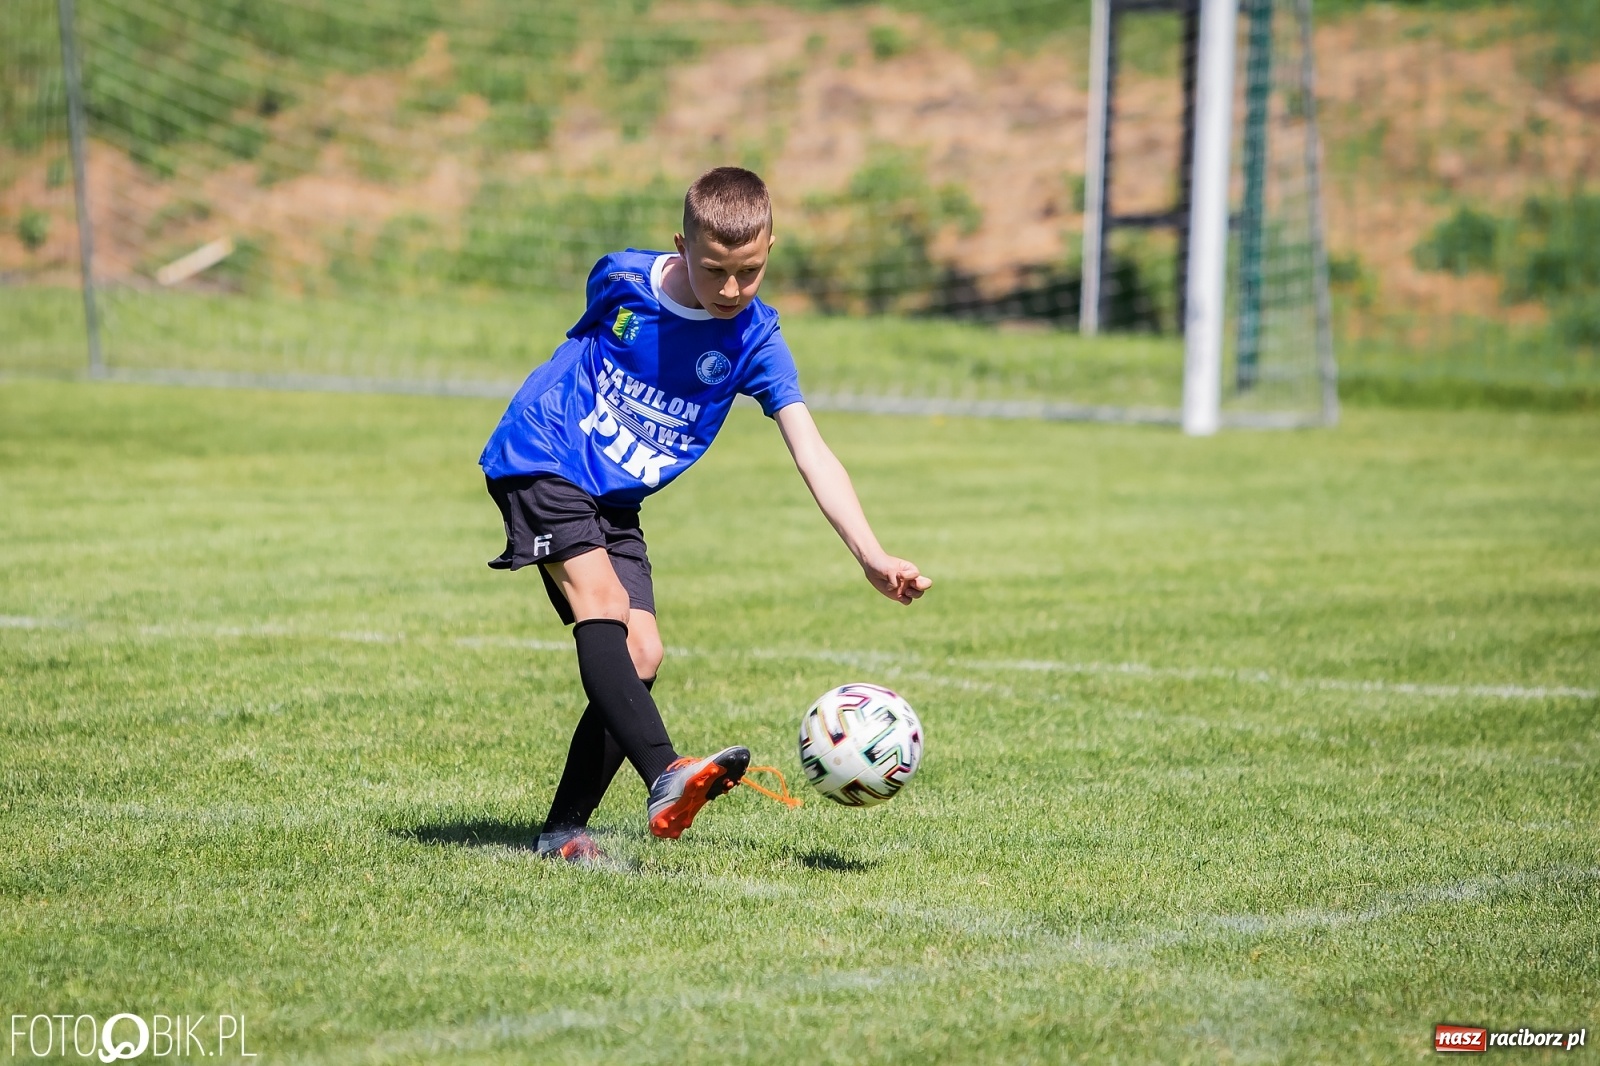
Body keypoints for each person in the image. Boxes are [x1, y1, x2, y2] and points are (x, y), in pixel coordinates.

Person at [480, 166, 931, 863]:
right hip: (544, 452)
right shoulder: (623, 279)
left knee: (643, 652)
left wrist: (870, 553)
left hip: (615, 498)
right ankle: (666, 774)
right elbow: (583, 337)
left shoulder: (757, 341)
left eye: (747, 273)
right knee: (601, 600)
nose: (729, 289)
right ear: (680, 245)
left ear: (771, 249)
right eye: (713, 268)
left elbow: (811, 451)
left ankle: (562, 831)